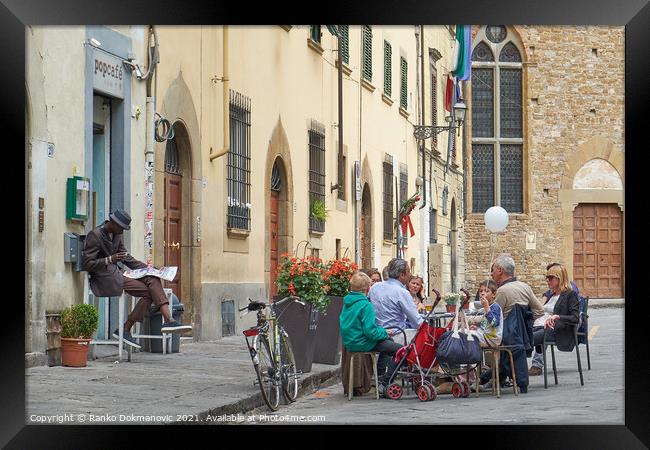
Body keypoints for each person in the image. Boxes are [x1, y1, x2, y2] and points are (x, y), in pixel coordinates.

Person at [82, 209, 189, 348]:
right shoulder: (94, 235)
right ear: (113, 223)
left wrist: (150, 270)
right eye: (122, 228)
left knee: (152, 279)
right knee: (150, 291)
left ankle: (168, 320)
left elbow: (128, 259)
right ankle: (127, 328)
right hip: (104, 278)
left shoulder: (116, 235)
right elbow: (87, 264)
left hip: (118, 273)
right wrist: (110, 259)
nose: (122, 231)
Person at [340, 271, 403, 396]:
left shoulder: (348, 303)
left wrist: (382, 333)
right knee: (402, 351)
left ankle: (380, 376)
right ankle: (385, 381)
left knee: (388, 343)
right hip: (363, 342)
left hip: (351, 343)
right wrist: (384, 332)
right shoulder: (366, 305)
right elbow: (371, 332)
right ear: (367, 288)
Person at [368, 258, 424, 379]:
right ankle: (390, 377)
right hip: (396, 333)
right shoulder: (401, 292)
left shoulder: (375, 287)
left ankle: (383, 374)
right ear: (402, 275)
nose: (409, 275)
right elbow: (416, 321)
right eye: (408, 272)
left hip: (376, 332)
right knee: (423, 339)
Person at [529, 264, 580, 376]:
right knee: (519, 336)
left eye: (550, 278)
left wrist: (558, 317)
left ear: (559, 278)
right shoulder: (551, 295)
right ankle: (506, 372)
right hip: (540, 326)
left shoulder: (570, 295)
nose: (547, 280)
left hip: (556, 331)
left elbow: (575, 318)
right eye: (547, 278)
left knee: (523, 341)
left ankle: (515, 372)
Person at [490, 254, 545, 322]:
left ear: (500, 270)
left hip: (505, 331)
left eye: (493, 269)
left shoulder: (502, 291)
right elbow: (540, 311)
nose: (491, 274)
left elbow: (493, 320)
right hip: (524, 332)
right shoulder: (525, 287)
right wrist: (524, 323)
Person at [469, 280, 503, 348]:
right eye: (481, 291)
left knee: (464, 335)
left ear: (493, 295)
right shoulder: (486, 308)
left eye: (486, 291)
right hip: (485, 335)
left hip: (491, 339)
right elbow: (486, 326)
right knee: (463, 332)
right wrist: (477, 328)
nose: (482, 293)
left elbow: (494, 323)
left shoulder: (495, 307)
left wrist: (487, 308)